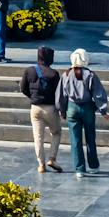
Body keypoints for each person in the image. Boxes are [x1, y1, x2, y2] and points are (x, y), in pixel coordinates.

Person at [55, 48, 109, 176]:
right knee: (90, 138)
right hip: (87, 108)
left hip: (72, 108)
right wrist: (103, 111)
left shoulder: (66, 75)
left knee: (75, 140)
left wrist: (62, 111)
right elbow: (98, 94)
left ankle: (79, 169)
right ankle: (94, 165)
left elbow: (61, 95)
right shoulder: (90, 75)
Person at [19, 45, 63, 173]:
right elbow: (58, 93)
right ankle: (52, 159)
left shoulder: (29, 71)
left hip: (35, 108)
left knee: (38, 137)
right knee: (56, 133)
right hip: (50, 108)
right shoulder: (54, 74)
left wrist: (33, 97)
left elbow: (23, 88)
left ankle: (41, 165)